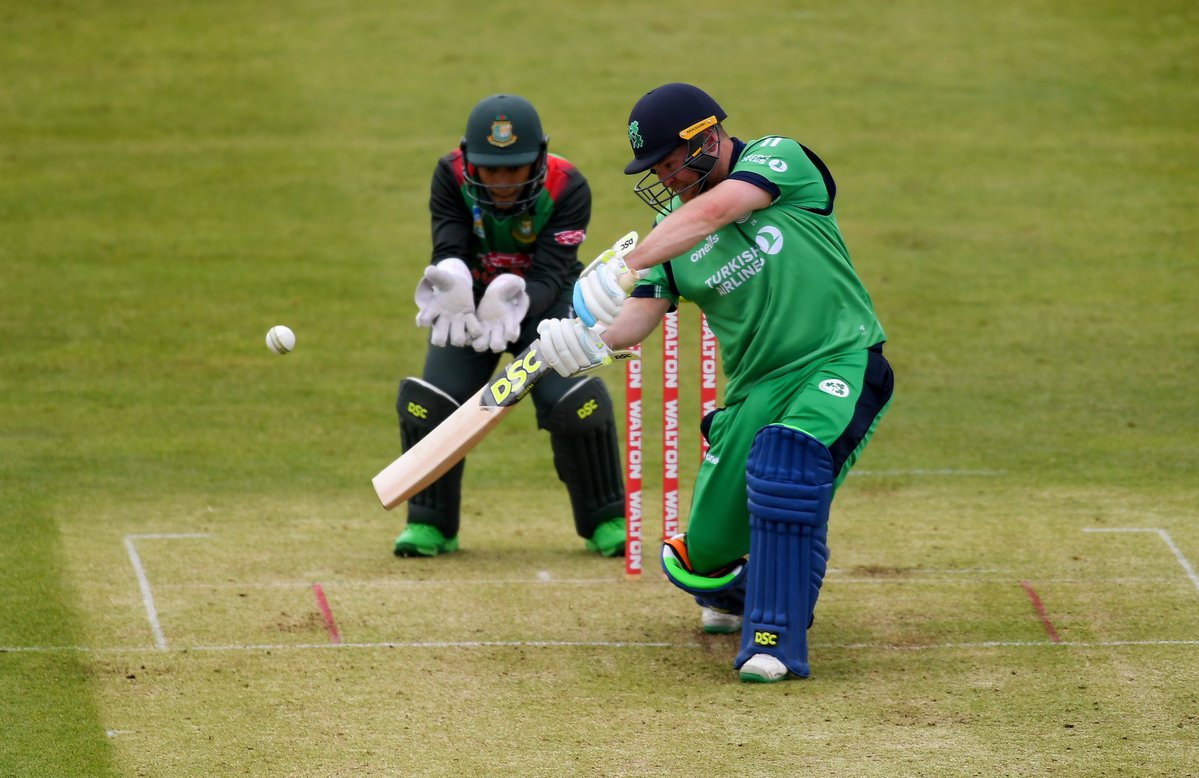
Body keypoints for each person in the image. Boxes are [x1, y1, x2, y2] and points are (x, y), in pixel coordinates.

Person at [537, 83, 894, 682]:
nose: (667, 178)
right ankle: (744, 592)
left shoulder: (779, 160)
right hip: (755, 392)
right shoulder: (666, 231)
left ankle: (773, 640)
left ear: (706, 136)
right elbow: (641, 316)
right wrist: (588, 340)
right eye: (656, 169)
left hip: (839, 359)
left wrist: (627, 262)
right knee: (699, 559)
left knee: (788, 466)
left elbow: (716, 212)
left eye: (671, 161)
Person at [393, 94, 627, 559]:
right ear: (468, 157)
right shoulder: (450, 174)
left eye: (514, 168)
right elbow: (449, 243)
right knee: (432, 403)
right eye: (490, 169)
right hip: (469, 302)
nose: (501, 181)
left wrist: (518, 304)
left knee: (571, 404)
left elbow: (553, 271)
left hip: (546, 298)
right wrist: (455, 282)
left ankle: (608, 519)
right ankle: (431, 525)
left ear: (539, 156)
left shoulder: (568, 186)